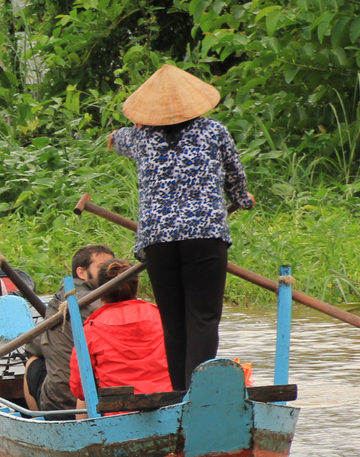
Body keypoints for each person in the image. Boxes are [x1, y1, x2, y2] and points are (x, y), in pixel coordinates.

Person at [109, 64, 254, 390]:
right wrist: (242, 199)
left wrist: (136, 126)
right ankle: (198, 395)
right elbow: (235, 177)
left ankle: (179, 394)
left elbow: (115, 140)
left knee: (173, 322)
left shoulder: (141, 137)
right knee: (202, 318)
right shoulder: (214, 131)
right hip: (205, 234)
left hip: (158, 239)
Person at [23, 243, 115, 411]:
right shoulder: (73, 300)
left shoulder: (72, 300)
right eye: (102, 268)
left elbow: (34, 346)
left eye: (111, 267)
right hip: (103, 392)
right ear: (81, 272)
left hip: (70, 399)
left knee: (33, 362)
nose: (108, 274)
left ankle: (39, 419)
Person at [69, 260, 171, 406]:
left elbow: (79, 389)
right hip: (167, 404)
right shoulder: (162, 317)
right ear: (137, 288)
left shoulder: (90, 328)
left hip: (117, 411)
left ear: (100, 292)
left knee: (82, 401)